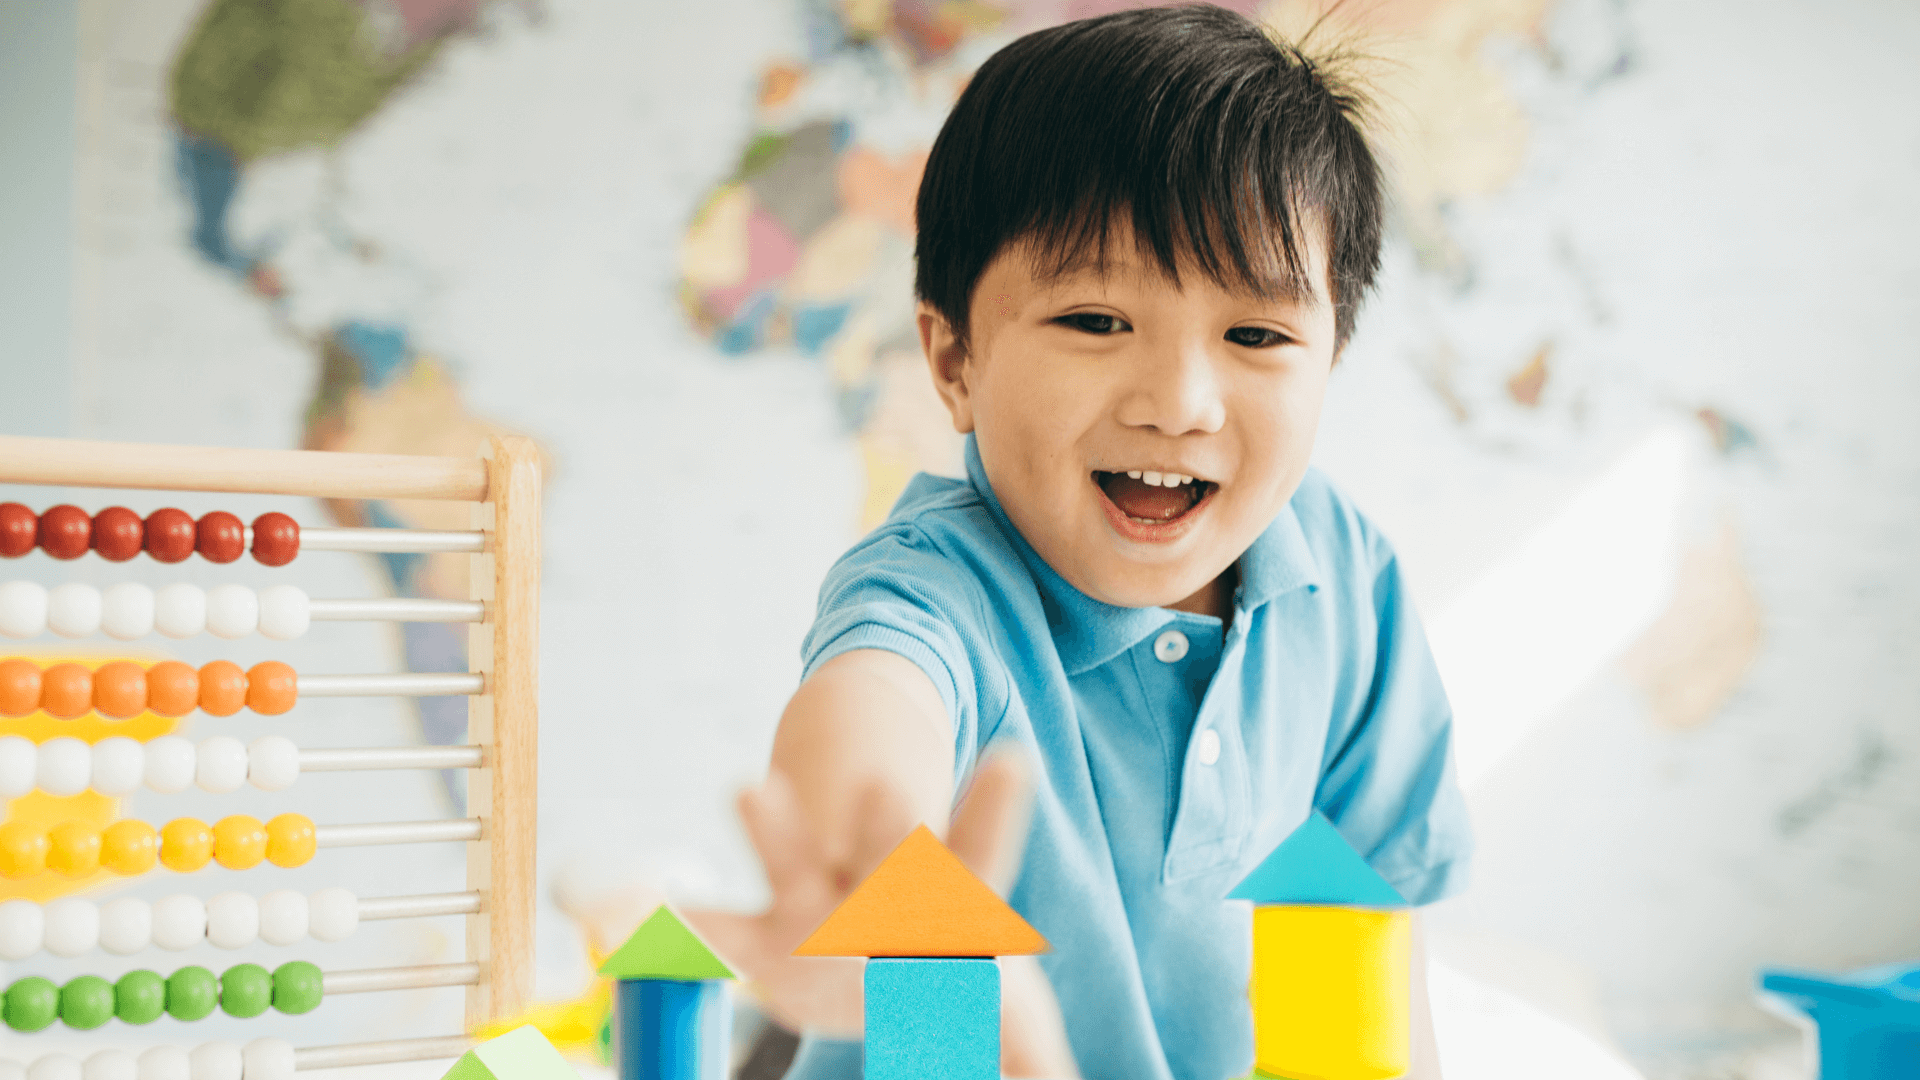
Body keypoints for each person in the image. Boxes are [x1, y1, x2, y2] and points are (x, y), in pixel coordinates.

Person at [689, 6, 1473, 1078]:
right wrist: (858, 859)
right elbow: (878, 701)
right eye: (1097, 322)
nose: (1179, 403)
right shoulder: (941, 589)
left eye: (1256, 334)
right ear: (955, 361)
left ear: (1330, 358)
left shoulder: (1344, 572)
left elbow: (1372, 950)